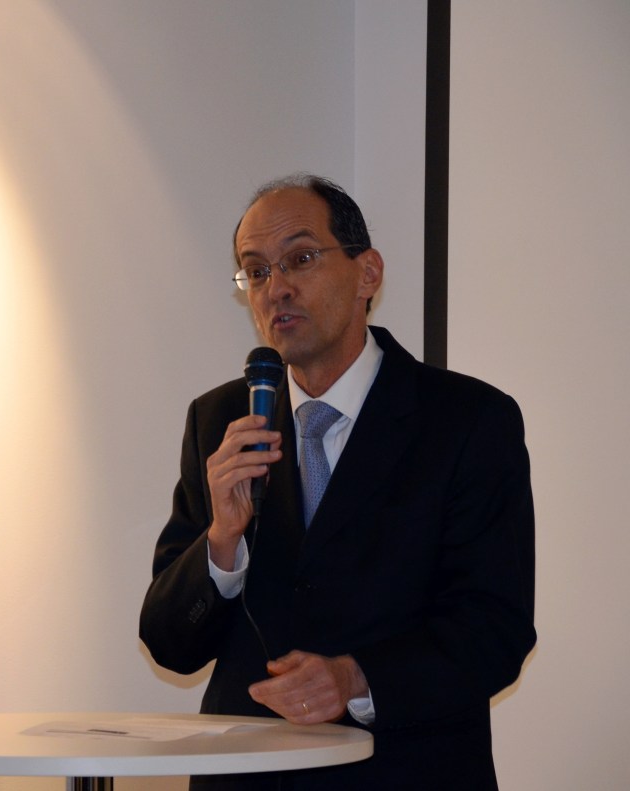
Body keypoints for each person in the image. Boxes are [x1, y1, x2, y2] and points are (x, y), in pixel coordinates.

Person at [138, 174, 536, 790]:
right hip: (247, 776)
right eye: (256, 271)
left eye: (300, 259)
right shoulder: (219, 421)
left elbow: (495, 629)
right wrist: (221, 541)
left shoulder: (467, 420)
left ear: (367, 273)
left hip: (403, 773)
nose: (277, 288)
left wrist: (356, 678)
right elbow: (170, 644)